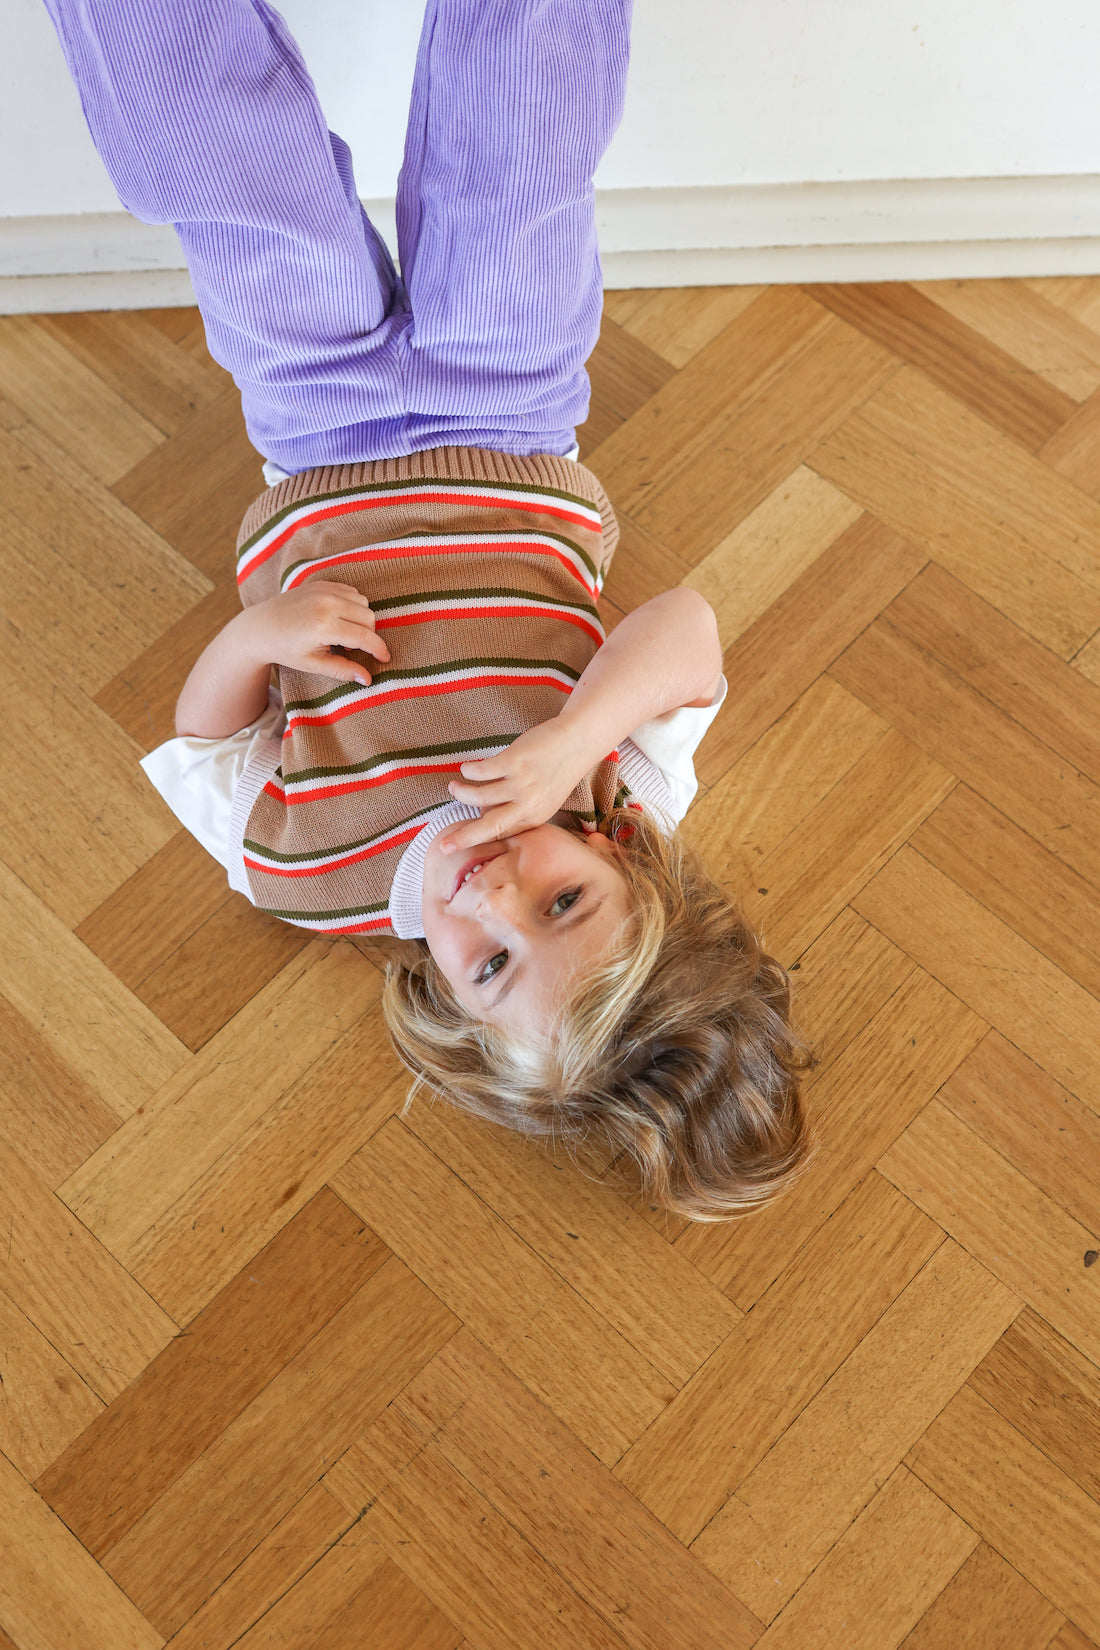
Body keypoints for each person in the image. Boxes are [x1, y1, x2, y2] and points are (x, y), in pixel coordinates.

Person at [44, 0, 813, 1218]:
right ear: (625, 871)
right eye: (564, 901)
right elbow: (687, 629)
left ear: (450, 1008)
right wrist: (569, 737)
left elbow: (206, 749)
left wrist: (254, 643)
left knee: (229, 171)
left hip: (314, 419)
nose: (496, 892)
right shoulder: (620, 795)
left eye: (493, 962)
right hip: (507, 394)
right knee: (517, 137)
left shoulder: (310, 879)